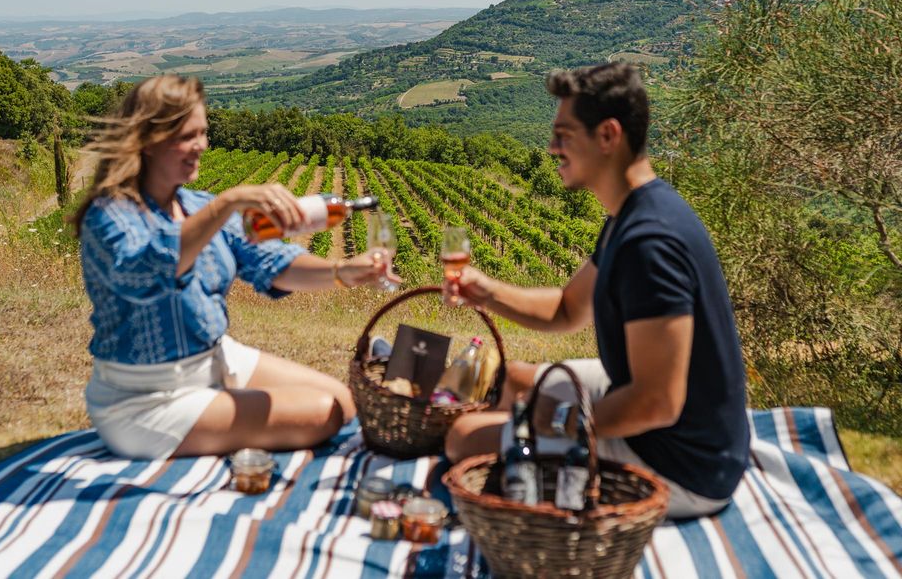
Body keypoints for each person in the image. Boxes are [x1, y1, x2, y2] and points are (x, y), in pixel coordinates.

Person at [443, 63, 749, 518]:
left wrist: (553, 423)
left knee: (463, 438)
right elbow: (568, 309)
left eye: (563, 135)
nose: (552, 148)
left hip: (683, 464)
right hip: (660, 417)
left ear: (608, 136)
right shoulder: (629, 214)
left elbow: (656, 403)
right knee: (513, 380)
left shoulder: (650, 244)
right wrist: (484, 290)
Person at [69, 74, 399, 460]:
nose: (202, 146)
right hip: (149, 396)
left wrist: (342, 270)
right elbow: (152, 270)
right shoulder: (110, 215)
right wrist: (226, 204)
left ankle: (225, 409)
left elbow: (273, 262)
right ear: (149, 139)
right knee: (325, 415)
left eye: (203, 133)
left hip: (214, 359)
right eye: (188, 136)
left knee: (342, 402)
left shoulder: (196, 205)